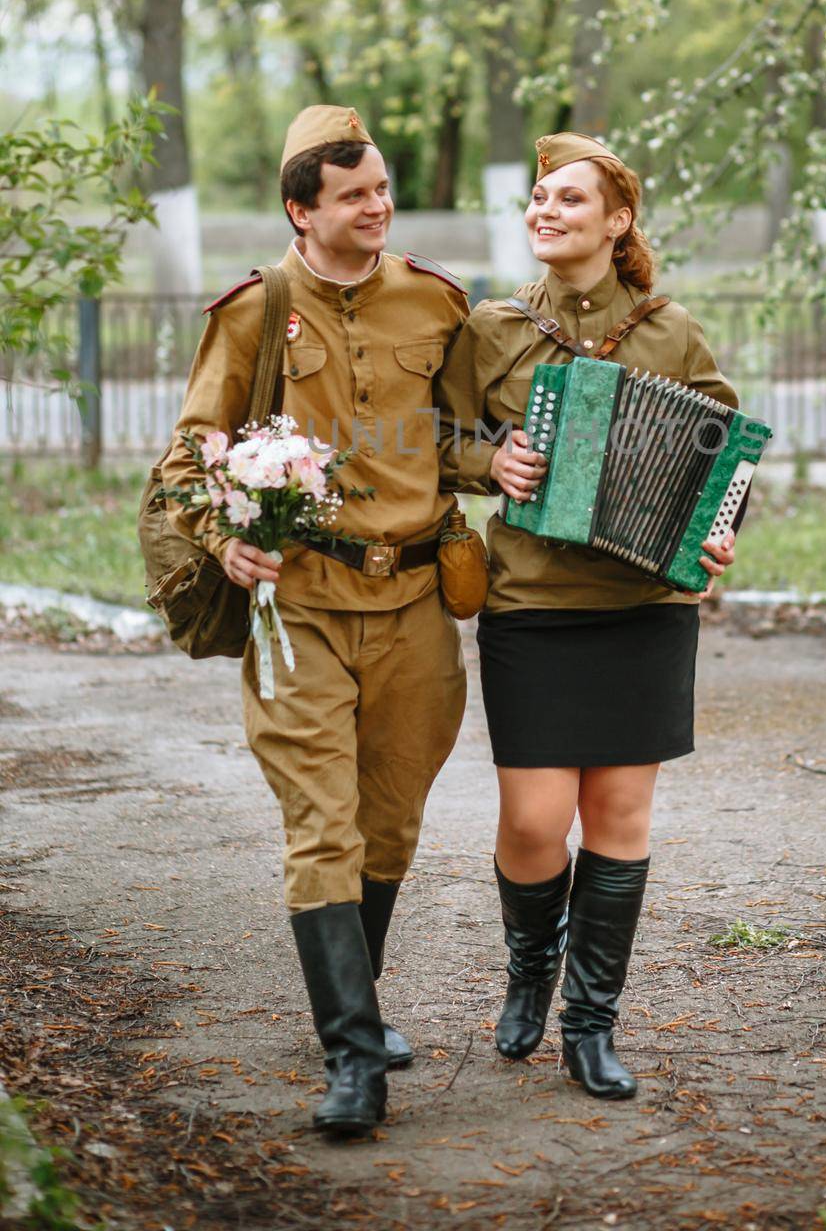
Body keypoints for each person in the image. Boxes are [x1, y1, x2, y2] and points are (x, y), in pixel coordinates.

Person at [161, 104, 469, 1138]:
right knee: (322, 827)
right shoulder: (256, 312)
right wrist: (224, 537)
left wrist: (506, 459)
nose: (376, 206)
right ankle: (351, 1057)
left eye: (381, 189)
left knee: (388, 824)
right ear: (302, 209)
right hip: (300, 609)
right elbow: (187, 458)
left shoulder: (434, 301)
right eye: (353, 195)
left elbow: (464, 441)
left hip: (418, 606)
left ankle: (358, 1012)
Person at [434, 131, 738, 1101]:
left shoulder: (669, 331)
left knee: (617, 814)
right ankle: (531, 966)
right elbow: (434, 435)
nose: (545, 210)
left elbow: (722, 455)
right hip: (531, 602)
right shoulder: (492, 328)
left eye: (568, 198)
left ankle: (589, 1022)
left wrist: (718, 529)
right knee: (532, 822)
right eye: (536, 197)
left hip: (642, 605)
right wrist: (492, 463)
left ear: (617, 222)